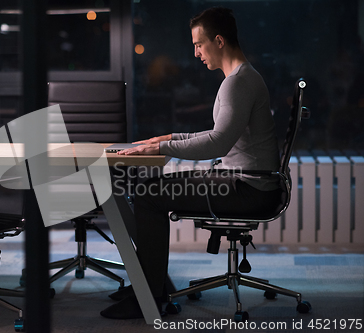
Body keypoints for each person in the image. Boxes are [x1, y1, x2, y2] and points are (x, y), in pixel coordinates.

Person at [100, 7, 282, 319]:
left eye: (199, 44)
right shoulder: (242, 78)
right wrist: (167, 139)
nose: (196, 52)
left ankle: (149, 296)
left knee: (147, 194)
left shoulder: (237, 83)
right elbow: (218, 134)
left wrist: (165, 147)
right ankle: (149, 286)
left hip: (247, 189)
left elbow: (218, 142)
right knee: (149, 189)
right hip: (248, 182)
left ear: (219, 41)